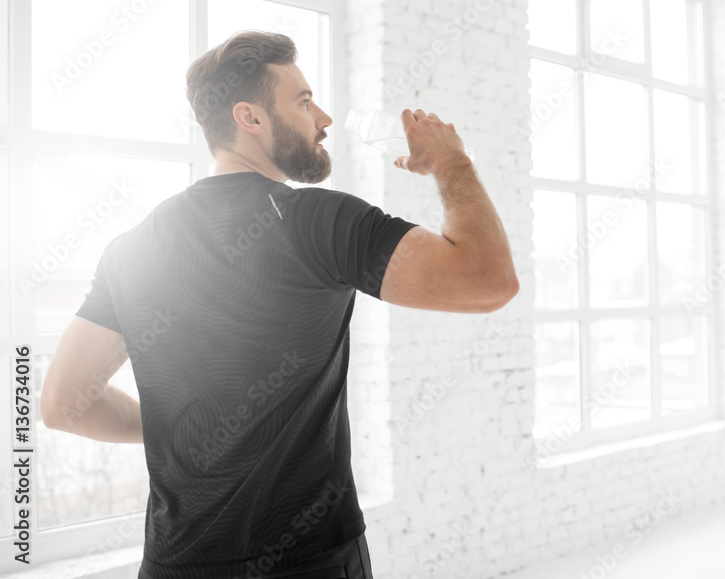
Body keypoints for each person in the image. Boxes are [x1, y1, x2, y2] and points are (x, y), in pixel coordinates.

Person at [39, 30, 519, 579]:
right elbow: (488, 280)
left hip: (176, 564)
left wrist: (184, 424)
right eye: (303, 100)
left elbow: (64, 405)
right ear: (250, 118)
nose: (324, 119)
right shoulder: (321, 221)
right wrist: (451, 164)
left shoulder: (131, 250)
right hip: (308, 562)